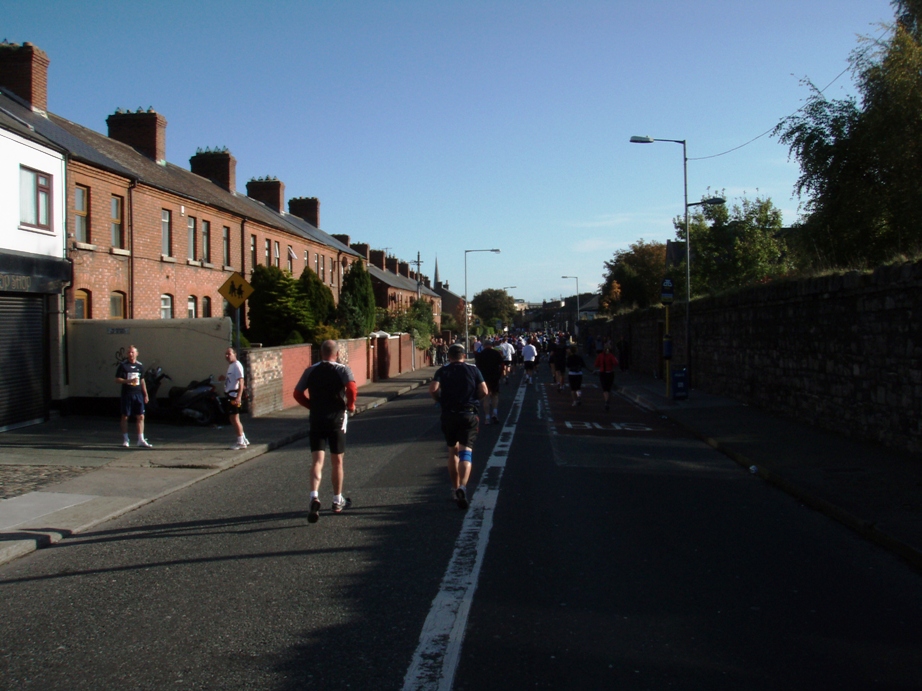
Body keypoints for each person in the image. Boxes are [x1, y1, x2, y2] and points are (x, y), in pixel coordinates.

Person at [293, 340, 358, 524]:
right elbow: (352, 388)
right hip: (336, 418)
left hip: (316, 418)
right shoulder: (342, 369)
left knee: (317, 460)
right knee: (337, 460)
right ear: (336, 354)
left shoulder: (310, 370)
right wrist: (350, 405)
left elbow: (297, 394)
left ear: (320, 353)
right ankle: (337, 500)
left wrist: (311, 406)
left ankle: (314, 496)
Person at [429, 343, 488, 510]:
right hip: (468, 413)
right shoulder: (473, 369)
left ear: (449, 356)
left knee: (452, 451)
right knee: (466, 452)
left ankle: (454, 489)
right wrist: (474, 400)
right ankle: (463, 486)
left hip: (449, 414)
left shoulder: (443, 370)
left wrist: (439, 400)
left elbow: (433, 388)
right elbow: (484, 390)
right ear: (464, 355)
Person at [115, 345, 152, 448]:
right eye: (129, 353)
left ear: (137, 353)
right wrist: (128, 381)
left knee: (140, 416)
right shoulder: (123, 366)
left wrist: (145, 394)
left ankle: (141, 439)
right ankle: (126, 439)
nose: (130, 354)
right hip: (127, 394)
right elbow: (117, 379)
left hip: (138, 394)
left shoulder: (140, 366)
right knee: (125, 416)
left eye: (132, 352)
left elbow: (142, 380)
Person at [221, 347, 249, 450]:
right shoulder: (231, 366)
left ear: (235, 354)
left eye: (229, 354)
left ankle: (240, 442)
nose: (227, 356)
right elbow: (232, 380)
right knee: (233, 418)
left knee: (234, 418)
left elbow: (241, 382)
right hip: (230, 395)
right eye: (226, 354)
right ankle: (243, 438)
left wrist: (239, 397)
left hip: (234, 396)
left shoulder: (237, 366)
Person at [474, 339, 504, 424]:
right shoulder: (496, 353)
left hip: (484, 378)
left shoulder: (480, 355)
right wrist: (500, 374)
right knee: (495, 395)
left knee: (486, 397)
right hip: (494, 377)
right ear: (491, 346)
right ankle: (494, 413)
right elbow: (502, 365)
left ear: (484, 346)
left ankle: (487, 418)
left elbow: (477, 367)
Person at [593, 345, 619, 411]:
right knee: (608, 388)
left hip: (602, 373)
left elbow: (596, 364)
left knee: (604, 389)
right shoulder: (611, 355)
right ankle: (607, 401)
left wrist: (601, 365)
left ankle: (606, 401)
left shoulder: (600, 355)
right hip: (610, 373)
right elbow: (615, 363)